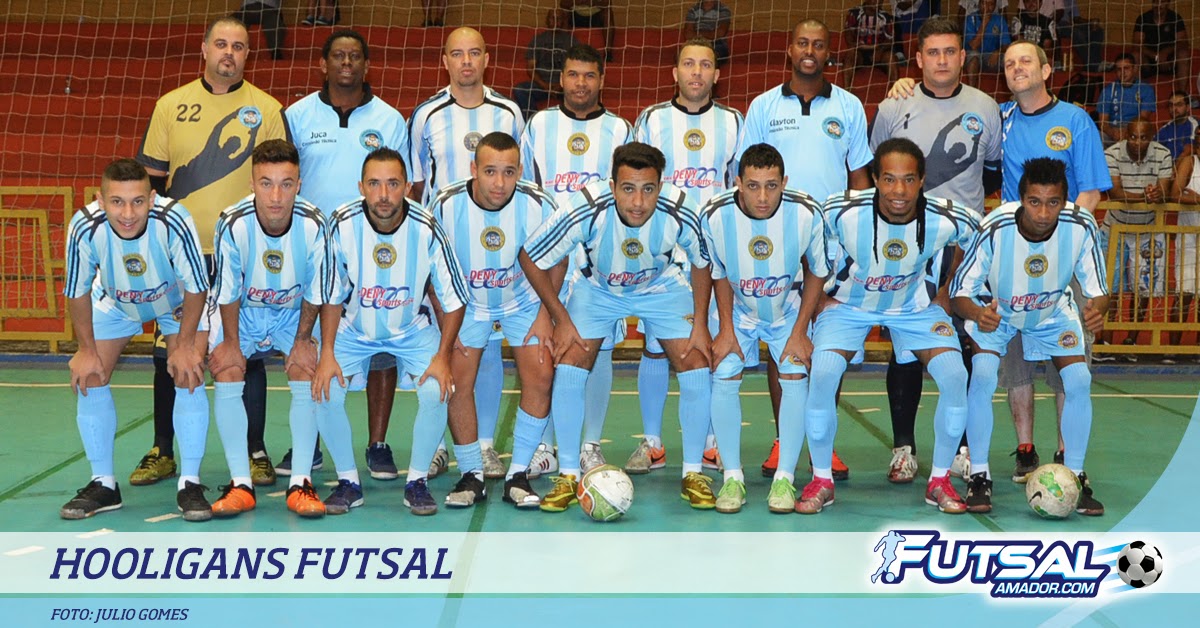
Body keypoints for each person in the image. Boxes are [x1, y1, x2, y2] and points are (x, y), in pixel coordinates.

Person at [134, 17, 288, 489]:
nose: (229, 53)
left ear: (247, 55)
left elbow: (276, 181)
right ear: (204, 49)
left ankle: (255, 451)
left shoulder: (267, 108)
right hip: (182, 256)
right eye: (221, 44)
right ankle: (163, 449)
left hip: (241, 255)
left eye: (238, 46)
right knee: (171, 349)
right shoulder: (170, 105)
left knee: (246, 351)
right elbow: (150, 185)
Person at [519, 142, 715, 511]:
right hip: (599, 290)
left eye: (648, 189)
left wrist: (701, 323)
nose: (638, 202)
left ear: (661, 186)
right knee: (570, 360)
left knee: (695, 361)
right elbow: (530, 256)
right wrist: (560, 318)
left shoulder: (681, 209)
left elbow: (703, 262)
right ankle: (569, 475)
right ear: (612, 186)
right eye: (628, 189)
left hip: (661, 288)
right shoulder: (586, 206)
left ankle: (693, 472)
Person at [800, 138, 979, 516]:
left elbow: (979, 240)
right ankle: (821, 480)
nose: (899, 190)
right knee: (824, 371)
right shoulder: (840, 211)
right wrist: (819, 298)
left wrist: (948, 289)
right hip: (850, 306)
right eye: (889, 179)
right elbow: (809, 243)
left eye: (909, 179)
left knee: (954, 374)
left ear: (922, 180)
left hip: (915, 308)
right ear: (876, 180)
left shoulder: (948, 217)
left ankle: (939, 480)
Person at [738, 18, 870, 479]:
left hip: (832, 243)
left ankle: (822, 443)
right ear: (789, 50)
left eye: (818, 44)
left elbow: (859, 176)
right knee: (783, 341)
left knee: (827, 343)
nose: (809, 51)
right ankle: (783, 439)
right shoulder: (763, 105)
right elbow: (746, 172)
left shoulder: (849, 106)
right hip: (777, 241)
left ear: (829, 52)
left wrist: (857, 237)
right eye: (802, 43)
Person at [872, 16, 1001, 484]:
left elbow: (991, 173)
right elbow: (877, 167)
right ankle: (903, 448)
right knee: (905, 344)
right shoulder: (895, 105)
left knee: (963, 342)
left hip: (964, 248)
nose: (942, 60)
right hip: (907, 245)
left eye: (950, 52)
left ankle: (963, 449)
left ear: (963, 57)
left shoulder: (986, 107)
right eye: (933, 52)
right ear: (919, 58)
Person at [283, 29, 410, 480]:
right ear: (323, 64)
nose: (346, 63)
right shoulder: (297, 114)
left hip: (373, 246)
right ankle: (311, 442)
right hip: (312, 247)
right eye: (338, 56)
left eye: (355, 56)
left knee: (381, 345)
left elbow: (401, 184)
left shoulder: (389, 118)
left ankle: (378, 444)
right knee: (311, 340)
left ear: (366, 65)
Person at [315, 147, 469, 516]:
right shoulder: (341, 223)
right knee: (325, 390)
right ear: (361, 187)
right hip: (354, 329)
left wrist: (443, 357)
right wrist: (327, 353)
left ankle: (417, 482)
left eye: (393, 184)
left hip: (411, 329)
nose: (383, 194)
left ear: (407, 187)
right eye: (374, 184)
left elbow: (454, 299)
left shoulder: (427, 226)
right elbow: (331, 294)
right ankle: (348, 482)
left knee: (436, 389)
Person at [952, 157, 1108, 516]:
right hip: (998, 312)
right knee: (983, 376)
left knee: (1079, 380)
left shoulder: (1081, 225)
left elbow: (1099, 290)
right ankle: (979, 475)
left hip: (1052, 313)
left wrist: (1098, 310)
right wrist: (977, 314)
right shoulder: (995, 227)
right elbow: (960, 294)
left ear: (1065, 201)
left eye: (1053, 202)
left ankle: (1076, 475)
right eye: (1035, 202)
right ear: (1021, 199)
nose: (1043, 212)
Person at [60, 159, 209, 521]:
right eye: (117, 202)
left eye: (138, 202)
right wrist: (86, 350)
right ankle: (104, 484)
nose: (128, 214)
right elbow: (77, 290)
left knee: (188, 371)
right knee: (89, 374)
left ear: (152, 198)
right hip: (116, 302)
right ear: (101, 200)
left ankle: (189, 483)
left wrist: (185, 345)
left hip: (175, 302)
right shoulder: (84, 226)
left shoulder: (174, 220)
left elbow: (197, 286)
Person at [408, 26, 524, 480]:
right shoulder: (426, 115)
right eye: (457, 54)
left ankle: (485, 445)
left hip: (496, 248)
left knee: (489, 348)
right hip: (448, 250)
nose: (467, 61)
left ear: (487, 58)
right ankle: (439, 445)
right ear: (445, 61)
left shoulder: (509, 112)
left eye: (474, 53)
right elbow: (418, 185)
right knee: (446, 347)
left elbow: (520, 178)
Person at [628, 38, 743, 475]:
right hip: (664, 251)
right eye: (688, 64)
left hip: (713, 252)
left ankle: (711, 443)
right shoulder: (652, 119)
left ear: (717, 74)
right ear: (674, 73)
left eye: (705, 65)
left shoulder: (734, 121)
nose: (697, 72)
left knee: (709, 342)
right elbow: (635, 182)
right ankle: (652, 443)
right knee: (655, 346)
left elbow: (740, 186)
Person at [998, 41, 1111, 481]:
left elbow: (1091, 193)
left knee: (1070, 360)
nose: (1016, 68)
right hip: (1015, 258)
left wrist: (1058, 246)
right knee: (1016, 359)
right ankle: (1026, 450)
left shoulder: (1075, 120)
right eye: (1009, 63)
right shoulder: (1001, 119)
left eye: (1025, 61)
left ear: (1047, 70)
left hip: (1066, 258)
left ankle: (1066, 455)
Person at [430, 132, 561, 509]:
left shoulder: (539, 203)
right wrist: (445, 321)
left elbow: (559, 258)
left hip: (524, 301)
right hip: (467, 304)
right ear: (474, 169)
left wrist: (546, 315)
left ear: (520, 171)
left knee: (541, 373)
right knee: (457, 381)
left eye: (508, 172)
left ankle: (517, 474)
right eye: (490, 171)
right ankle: (471, 474)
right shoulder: (445, 205)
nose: (500, 183)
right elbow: (429, 265)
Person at [520, 44, 632, 476]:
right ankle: (546, 447)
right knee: (548, 347)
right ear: (561, 78)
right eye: (572, 74)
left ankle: (590, 445)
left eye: (589, 75)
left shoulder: (620, 129)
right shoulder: (539, 124)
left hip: (599, 260)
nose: (580, 83)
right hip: (549, 258)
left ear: (601, 79)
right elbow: (528, 189)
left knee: (597, 351)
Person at [207, 140, 333, 518]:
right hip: (244, 312)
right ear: (252, 183)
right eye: (266, 183)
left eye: (286, 184)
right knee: (226, 367)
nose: (276, 196)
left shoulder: (315, 224)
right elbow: (227, 290)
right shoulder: (232, 222)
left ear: (299, 184)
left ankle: (300, 482)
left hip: (294, 313)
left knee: (306, 367)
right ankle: (241, 484)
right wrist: (231, 342)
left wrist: (303, 340)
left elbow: (317, 290)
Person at [701, 143, 829, 514]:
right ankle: (732, 477)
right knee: (724, 372)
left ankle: (784, 478)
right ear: (738, 182)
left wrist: (800, 331)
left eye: (771, 186)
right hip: (738, 311)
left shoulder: (806, 213)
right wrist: (726, 329)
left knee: (794, 373)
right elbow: (718, 271)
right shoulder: (714, 215)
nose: (762, 197)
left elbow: (818, 271)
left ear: (784, 182)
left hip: (786, 309)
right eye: (753, 186)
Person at [1103, 120, 1172, 303]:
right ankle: (1108, 323)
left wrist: (1157, 194)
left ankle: (1134, 325)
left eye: (1143, 138)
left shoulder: (1163, 154)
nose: (1137, 142)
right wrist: (1145, 196)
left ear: (1151, 138)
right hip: (1114, 229)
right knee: (1108, 289)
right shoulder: (1111, 153)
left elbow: (1164, 192)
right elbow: (1115, 193)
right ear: (1126, 135)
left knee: (1144, 291)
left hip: (1147, 230)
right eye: (1133, 137)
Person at [512, 9, 582, 120]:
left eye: (559, 18)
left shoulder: (572, 41)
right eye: (552, 18)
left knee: (582, 91)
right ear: (547, 20)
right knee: (520, 89)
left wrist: (562, 85)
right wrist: (545, 86)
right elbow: (530, 68)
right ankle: (533, 121)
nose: (555, 21)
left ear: (563, 21)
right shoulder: (538, 40)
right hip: (542, 84)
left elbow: (577, 67)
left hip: (565, 85)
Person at [1168, 127, 1200, 360]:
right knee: (1184, 292)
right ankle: (1172, 349)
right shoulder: (1190, 162)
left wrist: (1195, 198)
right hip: (1188, 236)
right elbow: (1174, 194)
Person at [1133, 0, 1192, 96]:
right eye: (1156, 2)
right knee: (1135, 55)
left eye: (1162, 2)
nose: (1158, 5)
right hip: (1149, 61)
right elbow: (1136, 44)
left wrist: (1165, 52)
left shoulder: (1175, 18)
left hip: (1169, 62)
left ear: (1168, 3)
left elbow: (1184, 42)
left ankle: (1182, 95)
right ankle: (1136, 95)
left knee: (1184, 54)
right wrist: (1157, 56)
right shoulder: (1143, 18)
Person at [1098, 53, 1156, 145]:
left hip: (1135, 130)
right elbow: (1103, 123)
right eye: (1119, 69)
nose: (1122, 72)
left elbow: (1143, 119)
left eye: (1126, 68)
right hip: (1113, 131)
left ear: (1135, 68)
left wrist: (1126, 132)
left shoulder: (1146, 89)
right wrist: (1113, 133)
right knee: (1097, 137)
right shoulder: (1108, 90)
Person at [842, 0, 898, 83]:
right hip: (860, 52)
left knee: (891, 58)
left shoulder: (886, 17)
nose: (877, 2)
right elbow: (848, 34)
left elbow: (890, 40)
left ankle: (895, 89)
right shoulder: (854, 13)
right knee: (850, 55)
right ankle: (846, 89)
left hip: (878, 52)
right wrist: (853, 48)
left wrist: (880, 50)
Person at [963, 0, 1011, 84]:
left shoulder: (999, 20)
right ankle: (971, 89)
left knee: (1009, 59)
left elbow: (1006, 45)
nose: (987, 7)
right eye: (984, 3)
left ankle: (1012, 89)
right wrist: (984, 23)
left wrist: (998, 51)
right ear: (979, 4)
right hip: (974, 57)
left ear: (995, 6)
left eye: (991, 4)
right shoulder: (970, 19)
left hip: (992, 57)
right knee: (973, 56)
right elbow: (973, 46)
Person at [682, 1, 733, 66]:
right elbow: (688, 34)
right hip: (697, 42)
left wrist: (699, 35)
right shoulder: (693, 10)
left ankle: (700, 57)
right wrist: (707, 36)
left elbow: (720, 33)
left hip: (716, 43)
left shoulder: (723, 10)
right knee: (680, 55)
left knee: (720, 51)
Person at [1155, 91, 1198, 160]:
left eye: (1179, 105)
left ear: (1187, 108)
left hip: (1190, 163)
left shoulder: (1195, 125)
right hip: (1167, 164)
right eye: (1171, 105)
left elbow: (1190, 149)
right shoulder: (1164, 129)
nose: (1174, 109)